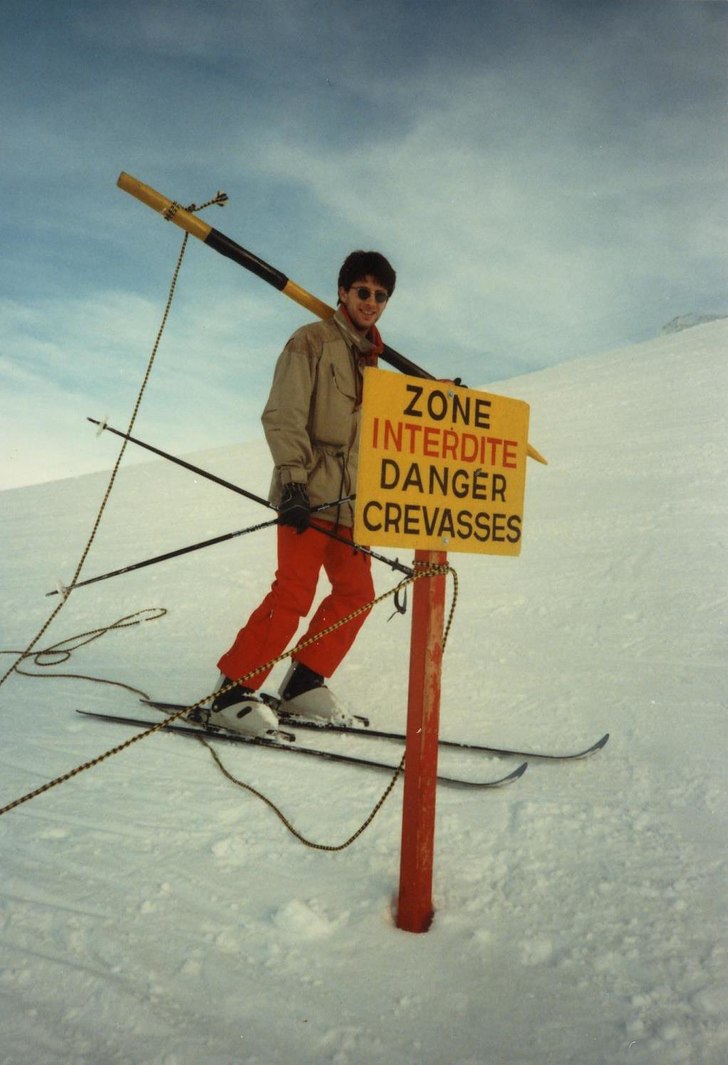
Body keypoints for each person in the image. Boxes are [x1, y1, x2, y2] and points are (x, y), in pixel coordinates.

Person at [205, 250, 397, 737]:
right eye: (362, 291)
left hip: (353, 503)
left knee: (357, 594)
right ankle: (232, 693)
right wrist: (291, 480)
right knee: (293, 593)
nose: (370, 302)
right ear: (343, 291)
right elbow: (284, 413)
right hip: (307, 494)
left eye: (380, 295)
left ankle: (304, 682)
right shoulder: (310, 342)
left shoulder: (377, 367)